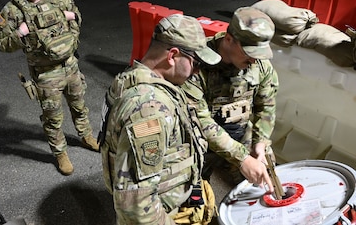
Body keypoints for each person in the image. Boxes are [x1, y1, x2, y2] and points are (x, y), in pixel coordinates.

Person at [99, 14, 274, 224]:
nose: (197, 72)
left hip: (175, 198)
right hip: (165, 212)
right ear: (172, 56)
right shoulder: (149, 109)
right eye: (195, 63)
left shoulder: (133, 81)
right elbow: (137, 207)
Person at [0, 0, 99, 176]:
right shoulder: (12, 11)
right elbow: (0, 43)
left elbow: (76, 17)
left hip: (71, 65)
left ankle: (87, 136)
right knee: (53, 117)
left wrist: (72, 33)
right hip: (46, 74)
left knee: (79, 105)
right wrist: (20, 34)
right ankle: (60, 153)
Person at [193, 7, 279, 184]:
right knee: (192, 198)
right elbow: (200, 119)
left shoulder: (260, 66)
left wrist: (260, 145)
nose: (254, 60)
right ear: (229, 39)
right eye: (250, 53)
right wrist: (242, 159)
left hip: (239, 132)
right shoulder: (196, 64)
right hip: (199, 138)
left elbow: (266, 107)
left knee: (265, 173)